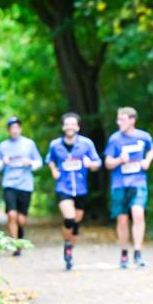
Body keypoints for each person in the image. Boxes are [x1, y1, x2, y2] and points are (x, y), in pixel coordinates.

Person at [45, 113, 101, 270]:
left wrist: (92, 164)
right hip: (63, 187)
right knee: (69, 219)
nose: (70, 126)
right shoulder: (55, 145)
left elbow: (97, 161)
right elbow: (49, 159)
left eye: (73, 124)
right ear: (63, 127)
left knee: (76, 223)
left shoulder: (86, 144)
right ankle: (67, 243)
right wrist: (54, 170)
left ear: (77, 126)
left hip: (81, 188)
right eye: (67, 124)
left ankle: (69, 249)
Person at [104, 107, 153, 269]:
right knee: (122, 220)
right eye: (118, 119)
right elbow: (107, 163)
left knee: (138, 214)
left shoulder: (143, 136)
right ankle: (124, 253)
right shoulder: (114, 139)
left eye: (122, 119)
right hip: (119, 184)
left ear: (132, 120)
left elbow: (152, 149)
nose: (119, 122)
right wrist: (120, 159)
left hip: (138, 182)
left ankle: (138, 252)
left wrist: (147, 161)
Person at [0, 116, 43, 256]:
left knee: (21, 219)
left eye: (17, 127)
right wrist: (3, 162)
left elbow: (39, 162)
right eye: (12, 128)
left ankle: (19, 237)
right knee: (12, 215)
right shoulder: (3, 146)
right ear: (8, 130)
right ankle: (14, 244)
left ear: (20, 129)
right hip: (9, 184)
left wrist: (30, 163)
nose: (14, 130)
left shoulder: (29, 144)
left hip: (25, 185)